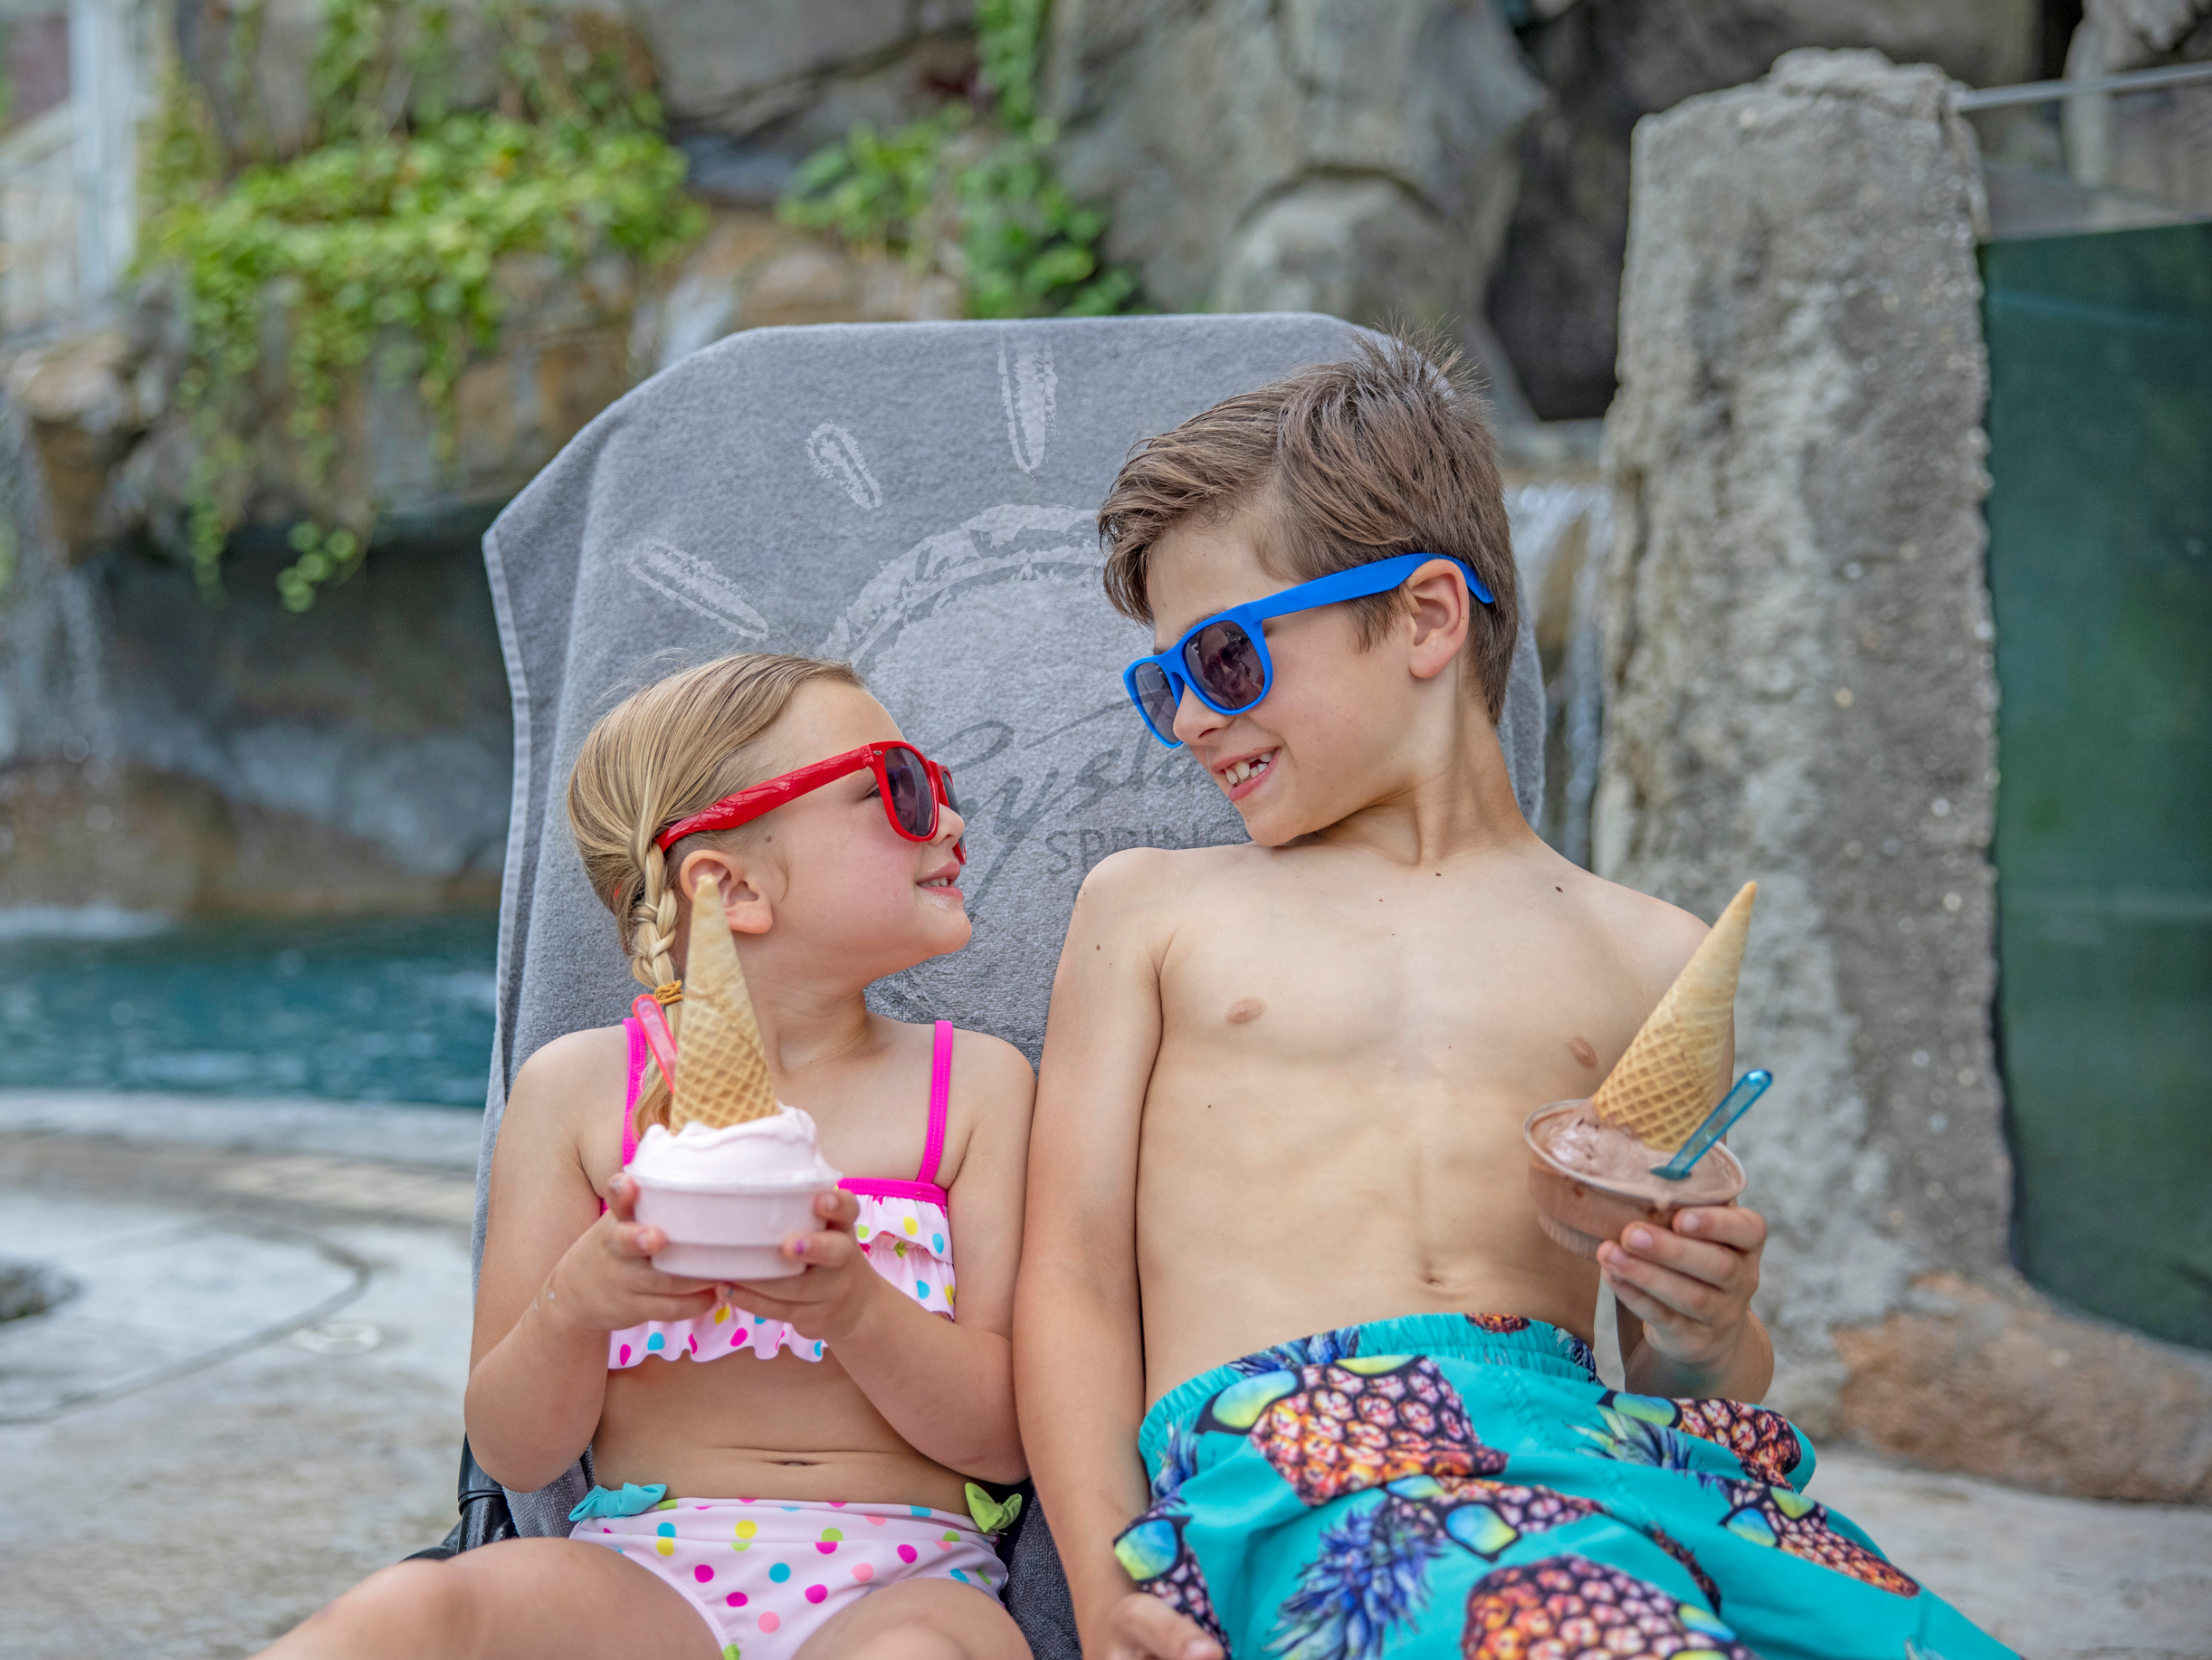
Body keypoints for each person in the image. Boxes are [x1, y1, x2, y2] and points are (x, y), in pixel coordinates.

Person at [1014, 339, 2009, 1660]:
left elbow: (1683, 1372)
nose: (1194, 719)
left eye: (1228, 664)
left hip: (1597, 1459)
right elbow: (1070, 1277)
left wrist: (1703, 1324)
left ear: (1426, 618)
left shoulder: (1645, 953)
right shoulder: (1154, 910)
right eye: (1165, 685)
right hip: (1306, 1472)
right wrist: (1101, 1588)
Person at [264, 654, 1036, 1660]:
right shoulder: (577, 1094)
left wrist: (855, 1305)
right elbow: (513, 1448)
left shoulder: (972, 1087)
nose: (947, 816)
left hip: (906, 1581)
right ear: (730, 884)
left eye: (939, 784)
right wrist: (579, 1302)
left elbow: (1009, 1439)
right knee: (411, 1611)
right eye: (894, 786)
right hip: (638, 1576)